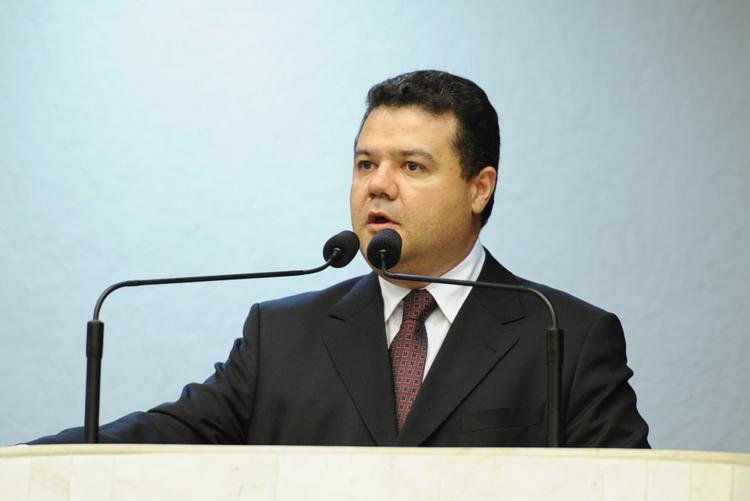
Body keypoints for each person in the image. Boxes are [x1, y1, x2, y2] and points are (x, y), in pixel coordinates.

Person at [32, 70, 649, 447]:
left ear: (479, 188)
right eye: (365, 164)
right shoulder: (282, 336)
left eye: (412, 166)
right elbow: (168, 434)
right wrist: (26, 461)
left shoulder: (564, 336)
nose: (378, 185)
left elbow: (631, 493)